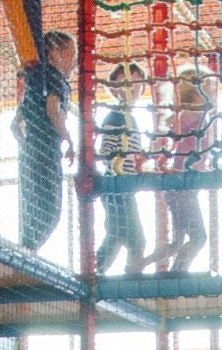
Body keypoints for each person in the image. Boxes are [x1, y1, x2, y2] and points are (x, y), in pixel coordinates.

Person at [148, 65, 216, 273]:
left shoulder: (196, 117)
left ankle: (138, 264)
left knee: (177, 242)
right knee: (198, 237)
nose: (211, 95)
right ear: (196, 93)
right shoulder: (188, 116)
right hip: (181, 186)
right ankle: (177, 272)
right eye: (207, 90)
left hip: (185, 185)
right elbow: (178, 142)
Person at [15, 30, 78, 251]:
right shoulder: (56, 79)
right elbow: (53, 109)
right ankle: (27, 253)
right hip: (46, 151)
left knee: (32, 210)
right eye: (71, 54)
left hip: (29, 152)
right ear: (54, 53)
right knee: (51, 211)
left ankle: (26, 250)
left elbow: (15, 125)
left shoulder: (35, 80)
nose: (74, 62)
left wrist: (28, 144)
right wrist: (68, 139)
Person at [95, 62, 148, 274]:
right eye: (125, 84)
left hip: (125, 186)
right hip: (117, 186)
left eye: (136, 84)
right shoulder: (114, 117)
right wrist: (118, 165)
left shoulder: (130, 118)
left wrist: (138, 163)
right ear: (115, 88)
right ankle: (102, 273)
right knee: (132, 239)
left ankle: (98, 271)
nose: (132, 89)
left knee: (118, 235)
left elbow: (133, 153)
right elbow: (106, 150)